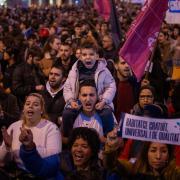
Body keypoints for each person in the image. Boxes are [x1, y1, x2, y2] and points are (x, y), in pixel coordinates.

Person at [20, 127, 121, 179]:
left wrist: (110, 151)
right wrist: (29, 146)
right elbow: (39, 167)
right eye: (75, 145)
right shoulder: (62, 160)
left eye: (84, 146)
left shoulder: (102, 169)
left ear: (93, 151)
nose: (78, 149)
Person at [0, 93, 61, 179]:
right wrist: (7, 147)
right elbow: (2, 161)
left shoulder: (51, 128)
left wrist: (30, 146)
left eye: (35, 104)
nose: (30, 106)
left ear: (41, 110)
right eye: (27, 104)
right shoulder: (14, 126)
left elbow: (52, 163)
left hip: (42, 175)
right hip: (19, 174)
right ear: (24, 109)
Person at [62, 41, 116, 137]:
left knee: (107, 114)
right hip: (79, 100)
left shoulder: (103, 69)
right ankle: (68, 137)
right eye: (84, 54)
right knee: (67, 113)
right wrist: (70, 101)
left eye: (91, 54)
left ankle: (108, 137)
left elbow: (111, 86)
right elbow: (67, 87)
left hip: (99, 100)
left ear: (97, 56)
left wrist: (104, 101)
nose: (88, 57)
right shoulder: (74, 70)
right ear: (80, 57)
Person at [104, 140, 180, 179]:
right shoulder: (134, 169)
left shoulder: (175, 174)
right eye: (153, 150)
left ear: (169, 154)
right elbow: (112, 165)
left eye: (163, 151)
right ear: (146, 152)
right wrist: (110, 149)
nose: (158, 156)